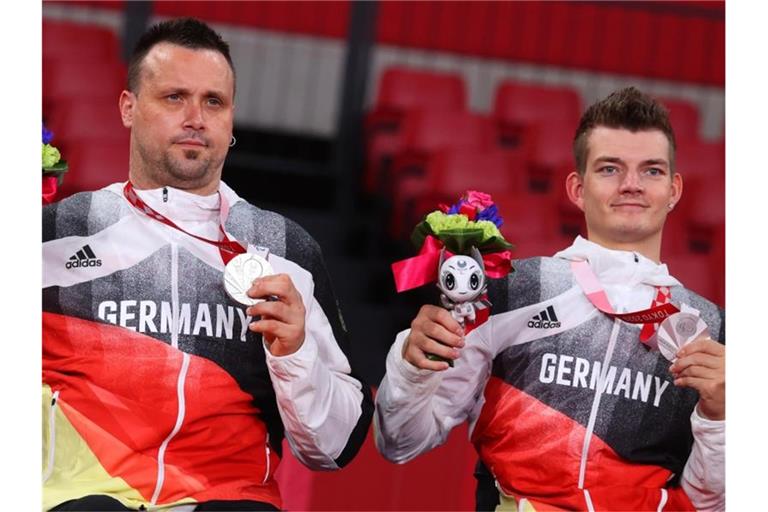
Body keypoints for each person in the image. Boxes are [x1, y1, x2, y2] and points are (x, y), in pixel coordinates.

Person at [42, 18, 373, 512]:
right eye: (174, 97)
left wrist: (295, 354)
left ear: (232, 118)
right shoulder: (55, 234)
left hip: (228, 499)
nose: (195, 117)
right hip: (80, 496)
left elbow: (335, 447)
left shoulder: (285, 250)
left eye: (213, 101)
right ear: (128, 108)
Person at [374, 87, 725, 511]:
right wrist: (411, 367)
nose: (632, 185)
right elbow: (400, 441)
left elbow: (713, 503)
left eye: (651, 171)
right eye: (610, 169)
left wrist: (721, 416)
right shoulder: (510, 289)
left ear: (674, 189)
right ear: (577, 188)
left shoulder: (710, 328)